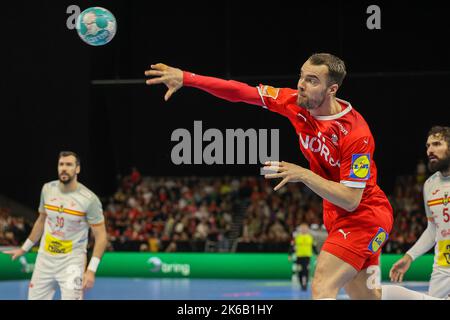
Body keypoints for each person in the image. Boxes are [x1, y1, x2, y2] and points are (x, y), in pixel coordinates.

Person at [144, 53, 442, 300]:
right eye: (302, 76)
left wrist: (304, 174)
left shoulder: (355, 133)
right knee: (366, 297)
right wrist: (188, 78)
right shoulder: (293, 104)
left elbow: (352, 199)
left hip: (364, 215)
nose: (301, 85)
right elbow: (240, 92)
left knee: (322, 287)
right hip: (337, 215)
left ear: (332, 90)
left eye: (312, 81)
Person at [2, 151, 108, 300]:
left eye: (69, 164)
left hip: (72, 263)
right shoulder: (47, 189)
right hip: (45, 259)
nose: (64, 168)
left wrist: (91, 270)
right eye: (61, 164)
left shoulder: (90, 200)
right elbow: (41, 221)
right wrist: (24, 248)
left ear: (77, 169)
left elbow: (101, 236)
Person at [389, 126, 450, 298]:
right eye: (428, 146)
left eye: (437, 144)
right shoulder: (429, 185)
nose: (430, 150)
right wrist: (409, 257)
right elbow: (433, 229)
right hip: (443, 268)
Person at [289, 223, 316, 291]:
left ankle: (305, 284)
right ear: (300, 229)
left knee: (306, 270)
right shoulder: (297, 237)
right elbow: (292, 246)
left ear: (307, 229)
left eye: (305, 228)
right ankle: (301, 283)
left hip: (307, 256)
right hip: (299, 256)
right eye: (302, 228)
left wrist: (316, 254)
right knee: (300, 271)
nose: (304, 230)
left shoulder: (310, 237)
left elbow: (313, 247)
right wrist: (290, 254)